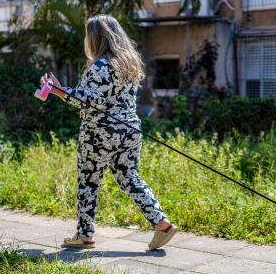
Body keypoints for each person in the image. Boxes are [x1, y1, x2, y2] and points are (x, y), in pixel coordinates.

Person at [41, 14, 177, 250]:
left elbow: (90, 101)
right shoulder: (128, 63)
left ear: (95, 38)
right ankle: (162, 223)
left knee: (88, 181)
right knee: (129, 178)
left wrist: (58, 91)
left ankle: (84, 235)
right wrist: (61, 88)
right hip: (130, 130)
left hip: (99, 132)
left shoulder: (100, 66)